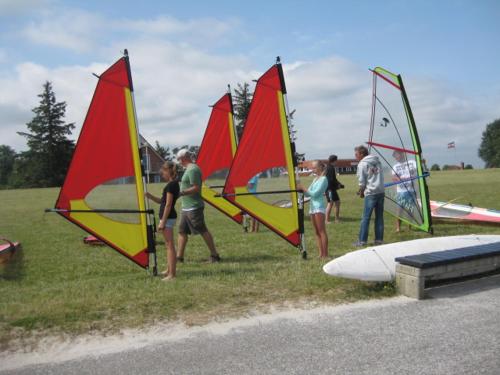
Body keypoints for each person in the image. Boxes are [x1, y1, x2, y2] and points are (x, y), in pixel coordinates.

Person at [175, 149, 221, 263]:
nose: (179, 162)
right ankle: (179, 258)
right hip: (186, 207)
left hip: (194, 207)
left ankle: (214, 256)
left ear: (184, 158)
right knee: (182, 231)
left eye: (179, 159)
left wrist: (181, 193)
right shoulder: (188, 169)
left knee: (202, 230)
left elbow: (196, 188)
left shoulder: (193, 170)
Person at [145, 161, 180, 281]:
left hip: (168, 218)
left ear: (168, 171)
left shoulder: (171, 185)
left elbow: (169, 204)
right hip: (168, 217)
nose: (162, 175)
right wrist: (150, 196)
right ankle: (169, 269)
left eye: (163, 172)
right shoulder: (173, 184)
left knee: (170, 246)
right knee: (168, 245)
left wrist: (163, 221)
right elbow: (162, 201)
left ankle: (172, 274)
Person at [354, 145, 385, 247]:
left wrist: (361, 192)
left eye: (356, 154)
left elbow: (362, 182)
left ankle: (362, 241)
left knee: (366, 218)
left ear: (362, 154)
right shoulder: (378, 161)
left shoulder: (362, 164)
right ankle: (379, 240)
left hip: (371, 193)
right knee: (379, 217)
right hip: (380, 192)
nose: (355, 157)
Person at [298, 160, 329, 259]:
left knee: (321, 231)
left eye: (314, 167)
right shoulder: (315, 179)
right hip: (312, 207)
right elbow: (308, 194)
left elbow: (315, 194)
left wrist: (303, 187)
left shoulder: (324, 179)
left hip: (319, 207)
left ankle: (325, 254)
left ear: (320, 167)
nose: (313, 169)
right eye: (312, 168)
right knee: (316, 232)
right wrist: (301, 189)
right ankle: (320, 254)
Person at [392, 150, 417, 232]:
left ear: (402, 154)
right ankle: (398, 228)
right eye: (395, 156)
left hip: (411, 190)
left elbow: (416, 171)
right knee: (399, 210)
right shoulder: (395, 166)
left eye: (397, 155)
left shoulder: (412, 162)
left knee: (410, 209)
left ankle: (410, 227)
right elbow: (394, 178)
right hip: (400, 192)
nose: (396, 157)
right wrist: (400, 179)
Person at [324, 154, 343, 224]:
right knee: (330, 203)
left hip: (332, 189)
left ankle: (337, 219)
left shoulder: (329, 167)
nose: (337, 162)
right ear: (334, 161)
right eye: (336, 160)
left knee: (337, 202)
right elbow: (331, 180)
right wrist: (338, 185)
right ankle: (326, 220)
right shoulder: (330, 168)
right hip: (329, 189)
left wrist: (339, 184)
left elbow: (334, 179)